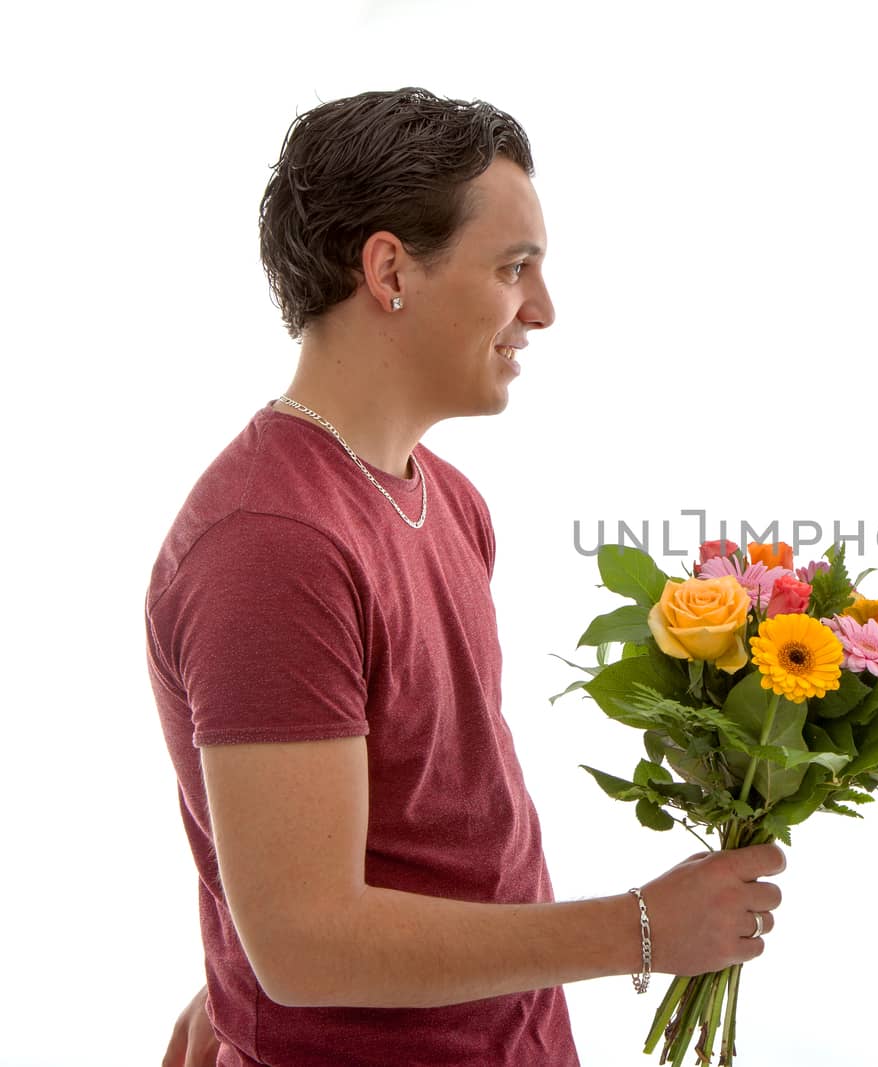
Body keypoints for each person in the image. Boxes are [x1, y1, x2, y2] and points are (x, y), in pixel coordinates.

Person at [147, 87, 783, 1067]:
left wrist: (244, 959)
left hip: (513, 1038)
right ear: (390, 269)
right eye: (512, 266)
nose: (543, 309)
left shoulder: (445, 498)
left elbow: (390, 830)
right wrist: (643, 928)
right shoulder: (271, 543)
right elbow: (308, 941)